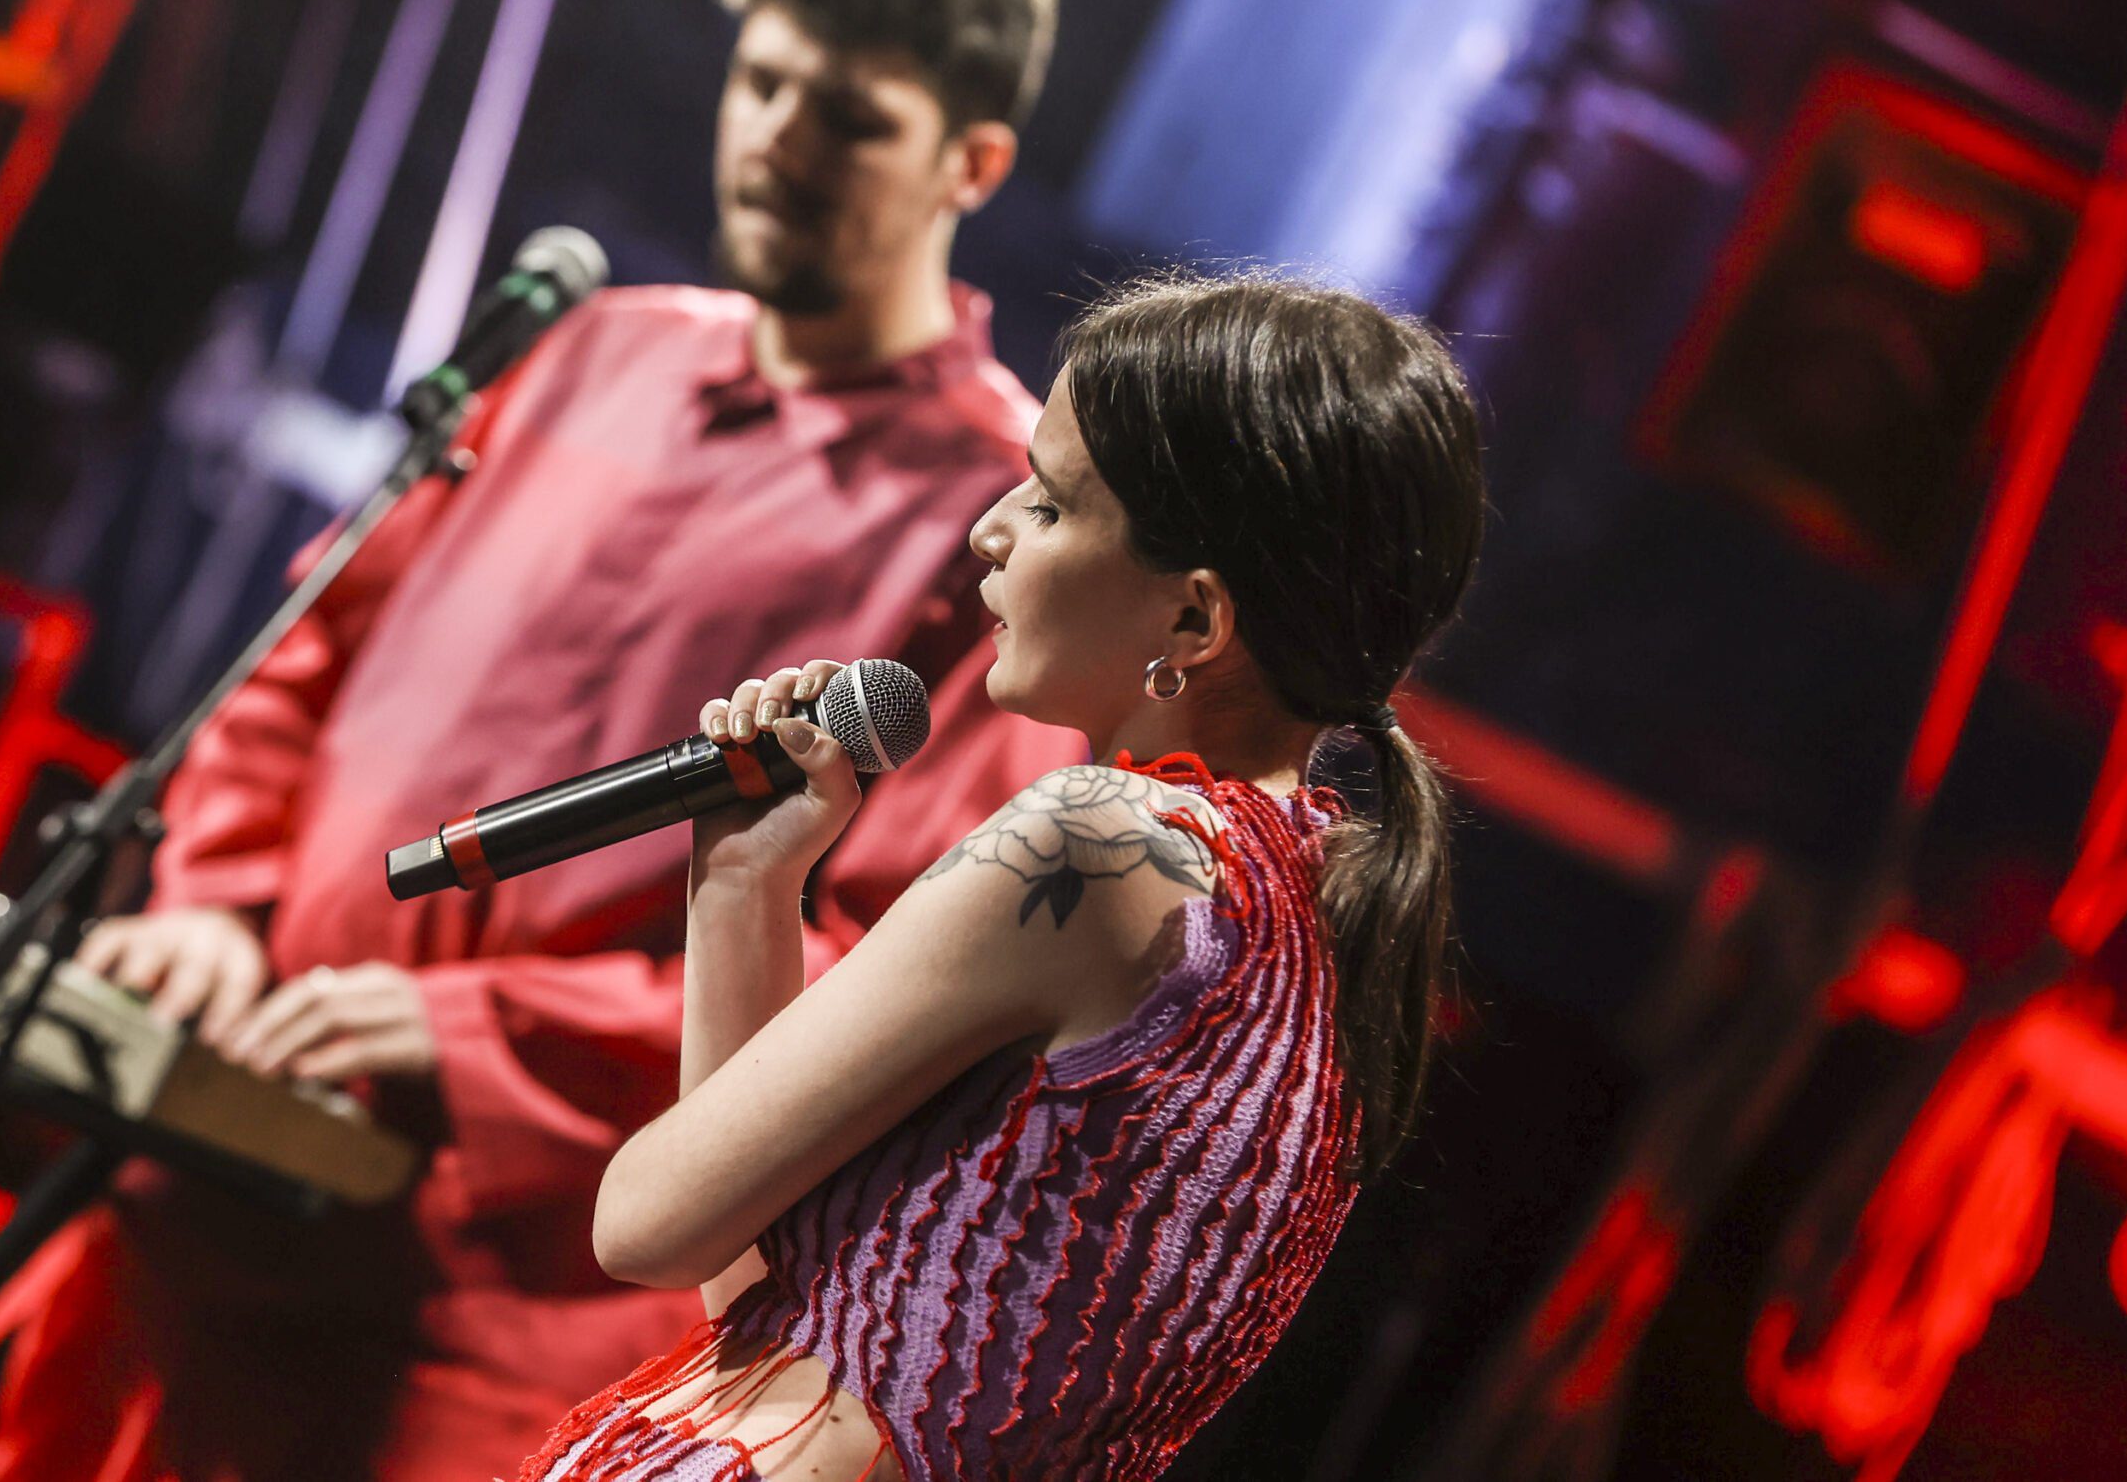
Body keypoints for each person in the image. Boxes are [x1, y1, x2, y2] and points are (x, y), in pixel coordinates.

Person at [0, 0, 1085, 1482]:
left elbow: (897, 973)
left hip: (481, 1327)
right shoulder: (596, 349)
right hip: (196, 1195)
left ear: (975, 161)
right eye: (762, 83)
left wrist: (474, 1031)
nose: (779, 141)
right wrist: (215, 910)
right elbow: (310, 648)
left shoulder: (1000, 514)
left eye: (851, 117)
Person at [515, 273, 1487, 1481]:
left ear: (1193, 624)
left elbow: (644, 1223)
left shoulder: (1098, 845)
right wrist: (746, 887)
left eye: (1051, 502)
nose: (992, 528)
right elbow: (765, 1284)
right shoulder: (1315, 940)